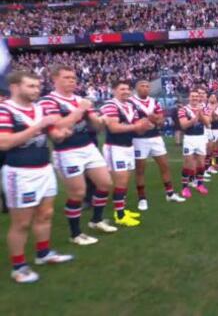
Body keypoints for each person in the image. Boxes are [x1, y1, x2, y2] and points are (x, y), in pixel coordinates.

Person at [0, 70, 74, 283]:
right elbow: (4, 143)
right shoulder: (5, 110)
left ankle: (43, 254)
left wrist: (62, 134)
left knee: (45, 214)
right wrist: (38, 126)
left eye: (37, 86)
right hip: (20, 173)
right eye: (30, 86)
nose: (36, 90)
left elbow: (55, 136)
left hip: (44, 168)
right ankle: (19, 266)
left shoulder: (39, 108)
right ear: (15, 87)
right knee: (21, 223)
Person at [39, 65, 115, 245]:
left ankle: (96, 220)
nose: (71, 81)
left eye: (73, 78)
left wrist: (101, 121)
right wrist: (80, 110)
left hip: (88, 147)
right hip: (66, 151)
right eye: (66, 78)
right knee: (77, 193)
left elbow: (96, 126)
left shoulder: (80, 99)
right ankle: (75, 234)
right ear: (54, 80)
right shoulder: (48, 101)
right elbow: (58, 126)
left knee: (105, 183)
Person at [100, 80, 154, 227]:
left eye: (127, 89)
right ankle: (119, 215)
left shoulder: (130, 106)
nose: (125, 91)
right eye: (121, 89)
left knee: (124, 181)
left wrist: (146, 125)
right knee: (120, 182)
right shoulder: (110, 105)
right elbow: (114, 128)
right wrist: (136, 126)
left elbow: (137, 127)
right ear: (113, 91)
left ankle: (121, 209)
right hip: (115, 147)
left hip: (128, 146)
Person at [130, 80, 185, 211]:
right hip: (139, 139)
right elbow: (134, 121)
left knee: (165, 166)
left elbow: (161, 120)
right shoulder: (131, 102)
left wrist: (153, 119)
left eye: (147, 86)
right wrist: (152, 119)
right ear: (136, 88)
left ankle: (170, 193)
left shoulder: (154, 102)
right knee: (140, 170)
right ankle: (142, 198)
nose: (145, 88)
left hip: (155, 137)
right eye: (142, 86)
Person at [178, 88, 211, 198]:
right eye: (193, 96)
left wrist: (200, 115)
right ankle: (185, 187)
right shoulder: (183, 109)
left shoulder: (204, 109)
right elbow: (183, 125)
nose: (195, 98)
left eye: (197, 96)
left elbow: (207, 123)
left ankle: (200, 184)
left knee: (201, 164)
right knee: (188, 163)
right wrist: (195, 118)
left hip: (201, 138)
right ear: (189, 97)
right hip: (189, 138)